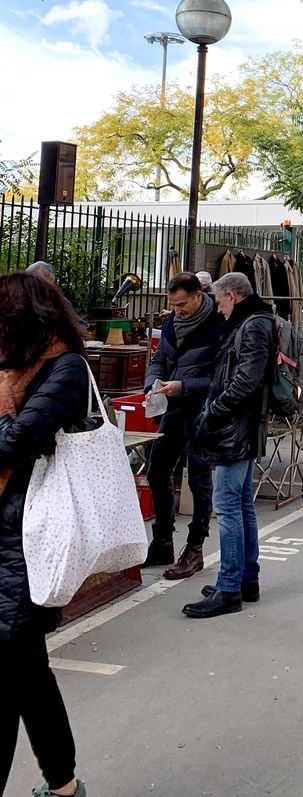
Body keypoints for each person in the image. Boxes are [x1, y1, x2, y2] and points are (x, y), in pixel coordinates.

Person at [0, 271, 89, 797]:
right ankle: (65, 785)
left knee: (8, 677)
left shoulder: (66, 368)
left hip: (31, 543)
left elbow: (16, 443)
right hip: (7, 536)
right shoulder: (9, 373)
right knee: (30, 677)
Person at [182, 273, 274, 619]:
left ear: (232, 296)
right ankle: (245, 578)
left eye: (219, 301)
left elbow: (246, 380)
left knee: (228, 505)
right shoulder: (254, 321)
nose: (218, 308)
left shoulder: (251, 325)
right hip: (243, 427)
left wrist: (213, 411)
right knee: (240, 504)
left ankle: (230, 585)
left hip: (236, 428)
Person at [142, 271, 226, 580]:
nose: (177, 310)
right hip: (172, 408)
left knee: (198, 477)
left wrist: (184, 386)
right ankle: (162, 540)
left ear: (198, 295)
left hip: (203, 410)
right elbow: (158, 360)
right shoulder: (170, 324)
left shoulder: (219, 325)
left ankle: (195, 548)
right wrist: (153, 385)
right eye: (173, 305)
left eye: (182, 304)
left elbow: (221, 377)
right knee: (157, 468)